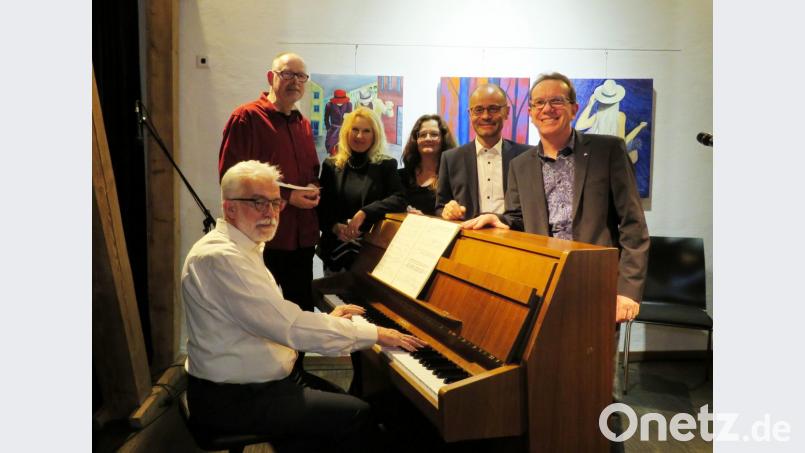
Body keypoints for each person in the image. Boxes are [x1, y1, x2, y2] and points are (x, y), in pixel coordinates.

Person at [183, 160, 425, 452]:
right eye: (258, 202)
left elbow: (269, 316)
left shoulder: (242, 246)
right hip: (234, 397)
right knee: (358, 414)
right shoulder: (221, 258)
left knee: (350, 401)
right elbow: (287, 326)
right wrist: (375, 334)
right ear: (229, 208)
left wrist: (333, 321)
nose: (270, 213)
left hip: (253, 380)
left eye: (275, 203)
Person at [462, 72, 649, 324]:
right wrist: (497, 219)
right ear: (530, 112)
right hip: (541, 284)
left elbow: (633, 225)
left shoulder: (609, 151)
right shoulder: (520, 165)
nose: (547, 109)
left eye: (556, 101)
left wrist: (627, 292)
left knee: (594, 362)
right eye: (539, 103)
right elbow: (518, 218)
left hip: (595, 283)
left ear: (574, 109)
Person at [218, 52, 320, 317]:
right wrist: (287, 197)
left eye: (300, 76)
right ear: (270, 77)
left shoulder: (303, 125)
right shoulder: (247, 118)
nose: (294, 81)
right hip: (265, 242)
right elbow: (232, 179)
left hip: (301, 240)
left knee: (301, 317)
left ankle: (296, 363)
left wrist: (312, 189)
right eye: (287, 74)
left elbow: (311, 171)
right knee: (266, 318)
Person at [317, 107, 405, 273]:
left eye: (366, 131)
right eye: (355, 130)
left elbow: (399, 200)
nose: (359, 136)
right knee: (331, 298)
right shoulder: (330, 165)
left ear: (375, 135)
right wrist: (335, 227)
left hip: (370, 253)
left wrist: (364, 213)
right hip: (334, 253)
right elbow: (321, 208)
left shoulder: (385, 165)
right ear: (346, 132)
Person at [436, 83, 530, 221]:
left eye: (493, 109)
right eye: (478, 110)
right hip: (468, 238)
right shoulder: (451, 159)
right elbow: (440, 207)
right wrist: (448, 211)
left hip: (513, 238)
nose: (486, 116)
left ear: (507, 112)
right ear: (470, 114)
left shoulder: (525, 157)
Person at [574, 79, 648, 163]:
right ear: (617, 101)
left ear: (601, 100)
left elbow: (578, 126)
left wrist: (590, 104)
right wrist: (639, 127)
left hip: (595, 155)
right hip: (610, 157)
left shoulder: (598, 115)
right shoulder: (620, 116)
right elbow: (622, 142)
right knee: (635, 148)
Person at [398, 114, 457, 215]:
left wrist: (424, 219)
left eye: (434, 134)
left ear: (443, 139)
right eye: (423, 134)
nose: (428, 138)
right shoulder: (402, 176)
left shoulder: (453, 177)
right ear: (416, 140)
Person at [324, 88, 353, 156]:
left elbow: (350, 118)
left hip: (344, 129)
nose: (340, 102)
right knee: (332, 147)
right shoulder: (329, 105)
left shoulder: (349, 104)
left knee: (345, 148)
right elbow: (326, 118)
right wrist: (328, 128)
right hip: (333, 129)